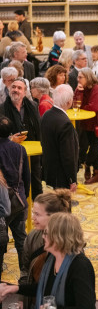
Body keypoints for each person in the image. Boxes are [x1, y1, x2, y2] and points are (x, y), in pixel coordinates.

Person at [0, 212, 98, 309]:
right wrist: (16, 288)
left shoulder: (80, 266)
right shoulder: (51, 259)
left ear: (58, 237)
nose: (43, 237)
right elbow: (43, 287)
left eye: (46, 233)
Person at [18, 189, 71, 309]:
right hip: (34, 302)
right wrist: (21, 301)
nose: (32, 218)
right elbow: (25, 269)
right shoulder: (32, 237)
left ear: (53, 217)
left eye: (37, 214)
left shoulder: (69, 243)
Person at [0, 78, 42, 199]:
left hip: (32, 151)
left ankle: (37, 203)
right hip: (12, 152)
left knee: (35, 176)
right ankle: (21, 206)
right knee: (17, 180)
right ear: (9, 90)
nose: (16, 90)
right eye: (13, 87)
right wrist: (10, 139)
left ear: (24, 92)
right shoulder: (2, 109)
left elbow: (38, 128)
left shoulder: (33, 106)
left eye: (19, 88)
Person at [0, 115, 30, 270]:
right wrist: (24, 196)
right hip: (19, 201)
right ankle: (25, 276)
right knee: (21, 241)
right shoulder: (20, 149)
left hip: (1, 205)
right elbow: (26, 176)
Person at [74, 68, 98, 184]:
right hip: (87, 123)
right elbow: (75, 104)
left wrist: (83, 106)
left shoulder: (96, 89)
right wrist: (79, 92)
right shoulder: (81, 88)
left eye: (80, 77)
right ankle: (97, 174)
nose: (78, 79)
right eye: (78, 77)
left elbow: (94, 107)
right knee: (95, 150)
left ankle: (87, 165)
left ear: (88, 78)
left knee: (94, 149)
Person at [41, 84, 78, 190]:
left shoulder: (46, 115)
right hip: (62, 175)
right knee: (64, 205)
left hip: (50, 170)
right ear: (69, 102)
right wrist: (72, 179)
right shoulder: (65, 123)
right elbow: (68, 155)